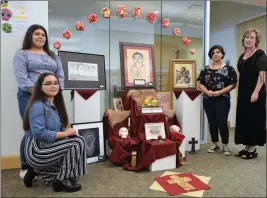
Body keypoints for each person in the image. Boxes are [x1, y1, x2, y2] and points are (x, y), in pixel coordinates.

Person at [13, 24, 64, 179]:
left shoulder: (54, 56)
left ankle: (46, 164)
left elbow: (60, 76)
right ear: (30, 36)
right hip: (29, 96)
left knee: (53, 126)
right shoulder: (22, 54)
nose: (41, 37)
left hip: (52, 97)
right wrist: (41, 92)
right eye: (37, 34)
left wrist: (56, 91)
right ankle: (26, 166)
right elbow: (22, 79)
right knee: (32, 129)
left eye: (43, 34)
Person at [23, 73, 87, 192]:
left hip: (49, 145)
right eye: (48, 83)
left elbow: (55, 129)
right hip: (37, 149)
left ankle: (38, 170)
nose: (53, 86)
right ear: (39, 87)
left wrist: (67, 131)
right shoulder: (37, 106)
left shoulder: (56, 105)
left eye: (55, 83)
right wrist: (65, 134)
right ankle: (62, 180)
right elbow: (40, 133)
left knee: (77, 139)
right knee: (77, 142)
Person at [197, 45, 237, 156]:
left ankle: (225, 145)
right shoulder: (205, 69)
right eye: (213, 52)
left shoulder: (229, 69)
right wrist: (206, 91)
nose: (215, 54)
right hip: (208, 99)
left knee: (222, 121)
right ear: (211, 55)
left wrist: (220, 92)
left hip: (222, 99)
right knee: (212, 121)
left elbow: (233, 84)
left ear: (222, 54)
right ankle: (215, 143)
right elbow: (200, 83)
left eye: (218, 52)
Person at [235, 28, 266, 159]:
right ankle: (247, 147)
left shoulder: (260, 54)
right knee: (244, 119)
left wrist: (256, 92)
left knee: (253, 119)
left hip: (255, 93)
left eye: (252, 37)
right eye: (247, 37)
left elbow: (262, 75)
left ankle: (252, 149)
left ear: (256, 40)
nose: (249, 39)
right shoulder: (243, 56)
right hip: (243, 92)